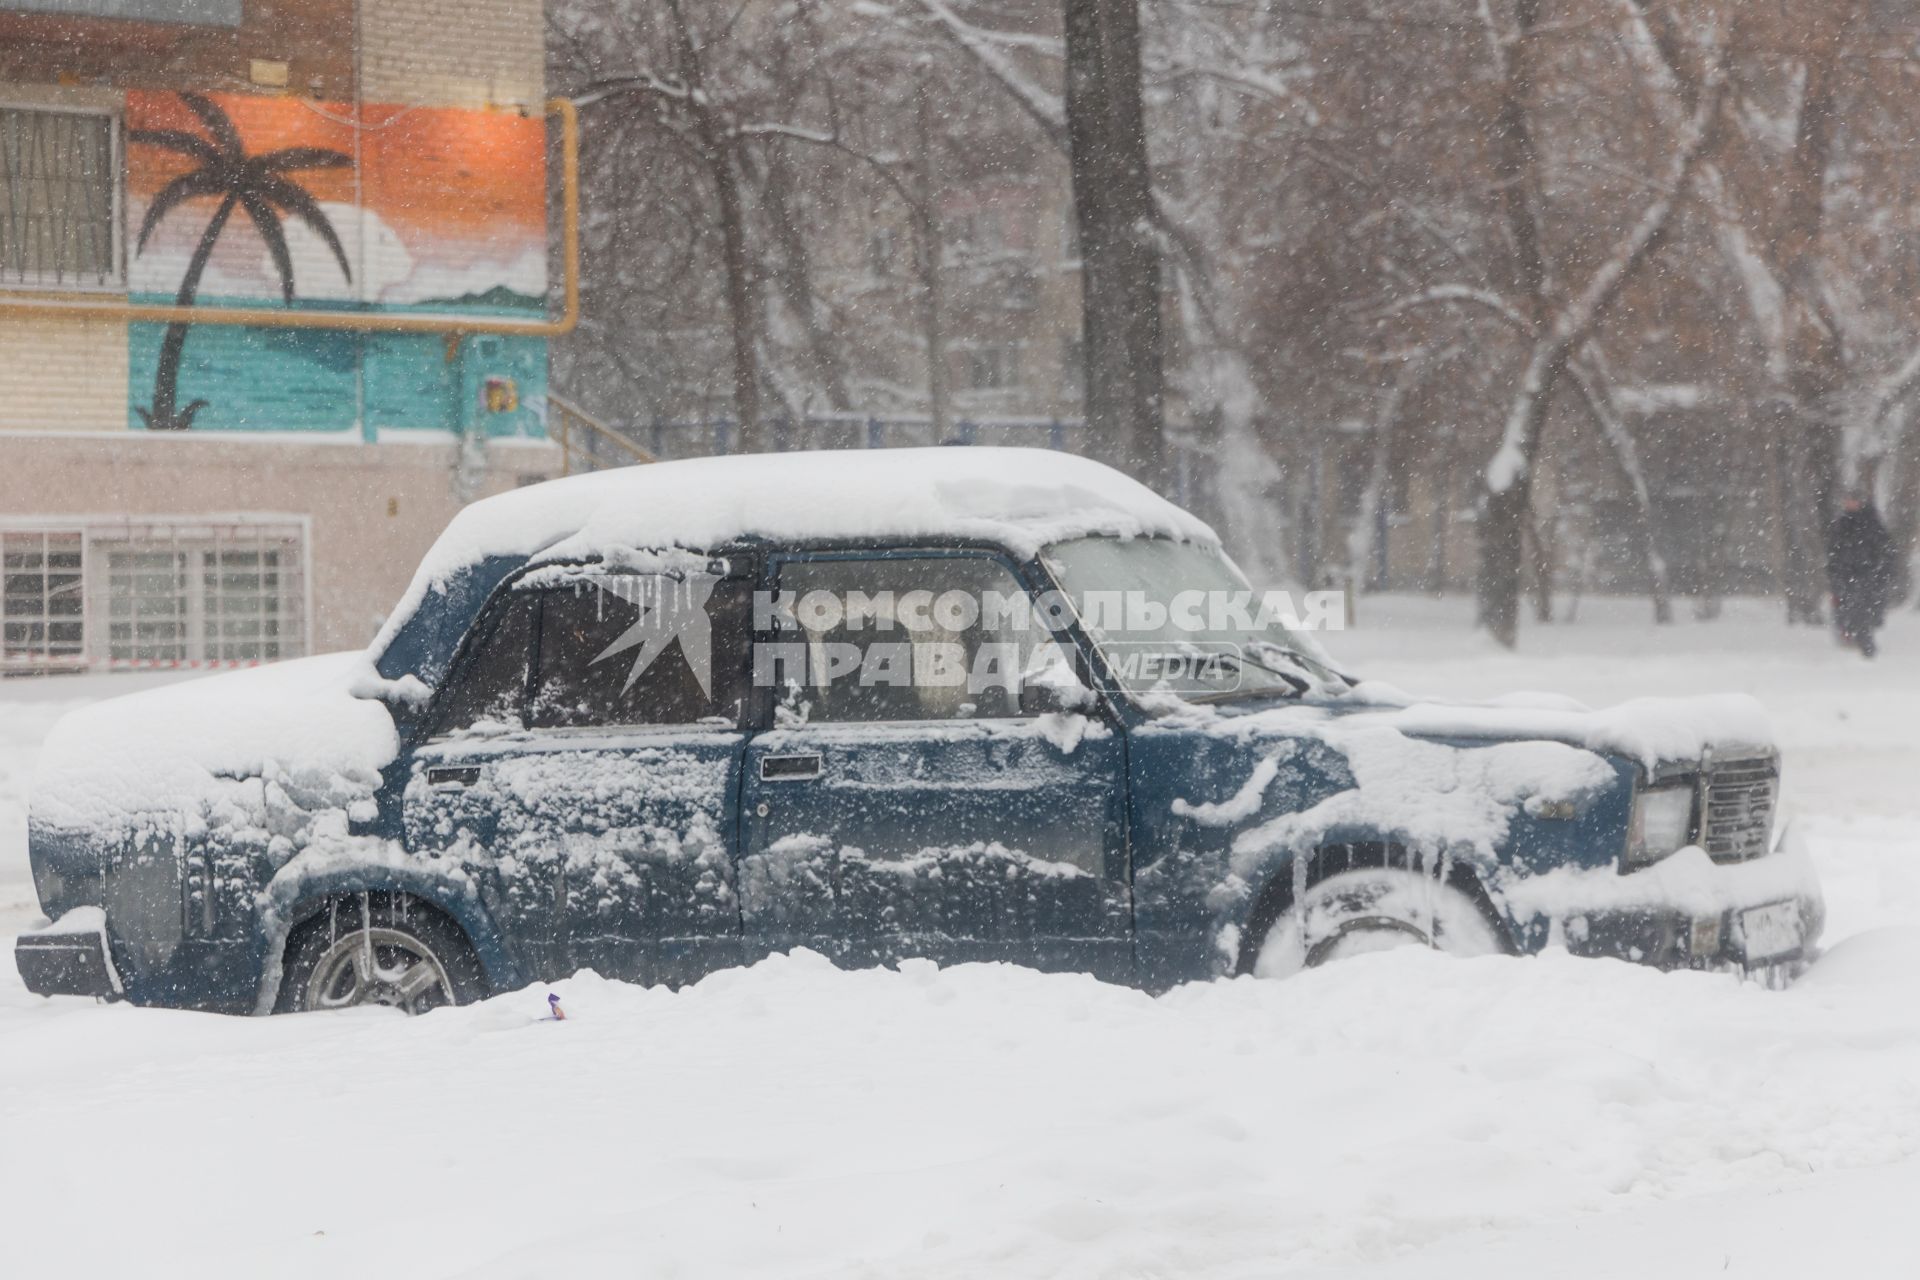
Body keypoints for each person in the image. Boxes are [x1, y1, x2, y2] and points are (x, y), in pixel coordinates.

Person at [1826, 490, 1897, 658]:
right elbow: (1834, 551)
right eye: (1848, 500)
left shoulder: (1871, 523)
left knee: (1863, 609)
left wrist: (1881, 572)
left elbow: (1885, 549)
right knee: (1847, 609)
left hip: (1867, 575)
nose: (1850, 504)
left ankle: (1865, 641)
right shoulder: (1841, 523)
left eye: (1853, 500)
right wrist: (1834, 572)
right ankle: (1855, 638)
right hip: (1846, 575)